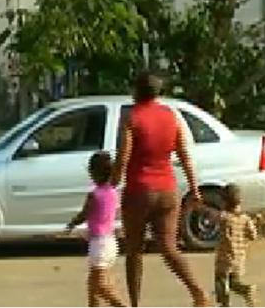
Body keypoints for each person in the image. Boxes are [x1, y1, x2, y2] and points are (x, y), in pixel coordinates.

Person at [111, 72, 210, 308]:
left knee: (134, 250)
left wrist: (111, 182)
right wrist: (194, 187)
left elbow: (124, 158)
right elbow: (184, 154)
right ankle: (198, 292)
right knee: (169, 248)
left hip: (139, 190)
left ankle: (135, 304)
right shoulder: (170, 116)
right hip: (167, 190)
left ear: (136, 92)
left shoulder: (132, 117)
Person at [65, 151, 128, 308]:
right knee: (92, 285)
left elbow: (84, 214)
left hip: (100, 244)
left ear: (92, 172)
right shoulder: (113, 192)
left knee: (100, 286)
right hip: (109, 242)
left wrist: (72, 224)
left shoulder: (94, 194)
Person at [208, 184, 258, 308]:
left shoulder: (224, 217)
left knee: (220, 281)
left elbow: (211, 220)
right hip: (239, 257)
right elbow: (253, 235)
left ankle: (224, 304)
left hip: (224, 258)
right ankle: (246, 290)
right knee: (233, 282)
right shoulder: (246, 219)